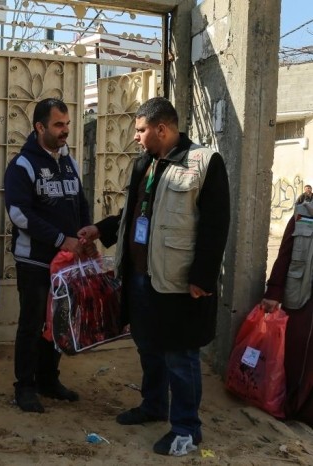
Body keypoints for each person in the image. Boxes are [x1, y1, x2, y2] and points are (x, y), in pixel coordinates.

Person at [78, 97, 230, 455]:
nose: (136, 136)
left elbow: (216, 225)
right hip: (140, 277)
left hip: (177, 281)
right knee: (148, 347)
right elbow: (132, 215)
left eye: (141, 129)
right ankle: (153, 406)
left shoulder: (204, 162)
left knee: (180, 355)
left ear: (162, 129)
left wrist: (202, 279)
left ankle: (187, 429)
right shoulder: (144, 163)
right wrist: (100, 230)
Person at [4, 97, 92, 413]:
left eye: (67, 124)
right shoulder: (22, 165)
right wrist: (60, 239)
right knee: (32, 324)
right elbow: (19, 214)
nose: (65, 130)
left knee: (58, 323)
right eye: (58, 125)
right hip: (34, 261)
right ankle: (24, 387)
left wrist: (86, 234)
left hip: (66, 264)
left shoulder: (69, 162)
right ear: (40, 127)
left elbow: (80, 202)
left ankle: (48, 380)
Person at [261, 200, 313, 427]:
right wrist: (274, 291)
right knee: (293, 355)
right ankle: (287, 407)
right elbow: (284, 255)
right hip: (299, 298)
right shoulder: (302, 215)